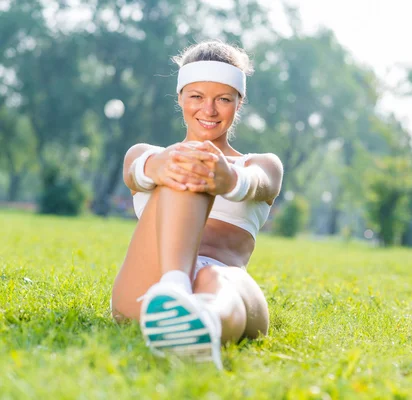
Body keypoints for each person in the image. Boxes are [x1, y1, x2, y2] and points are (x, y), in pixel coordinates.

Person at [110, 40, 283, 369]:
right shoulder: (149, 154)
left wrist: (229, 180)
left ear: (238, 102)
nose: (209, 110)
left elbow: (262, 182)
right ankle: (174, 290)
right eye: (197, 97)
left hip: (223, 281)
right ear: (180, 98)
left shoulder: (260, 164)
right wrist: (157, 166)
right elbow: (136, 170)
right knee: (189, 160)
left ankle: (203, 320)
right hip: (148, 290)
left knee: (216, 282)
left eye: (223, 99)